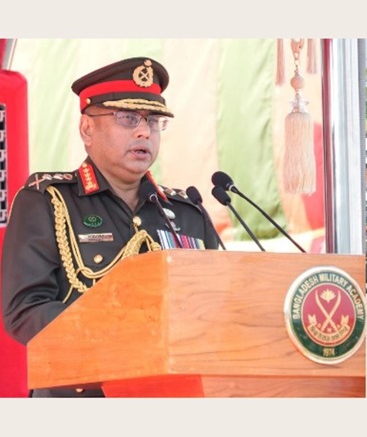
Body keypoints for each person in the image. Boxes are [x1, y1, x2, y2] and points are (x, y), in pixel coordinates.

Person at [1, 57, 220, 397]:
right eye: (127, 118)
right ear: (87, 129)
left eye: (153, 120)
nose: (144, 131)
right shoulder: (47, 202)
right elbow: (24, 310)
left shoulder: (187, 212)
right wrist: (125, 337)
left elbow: (219, 305)